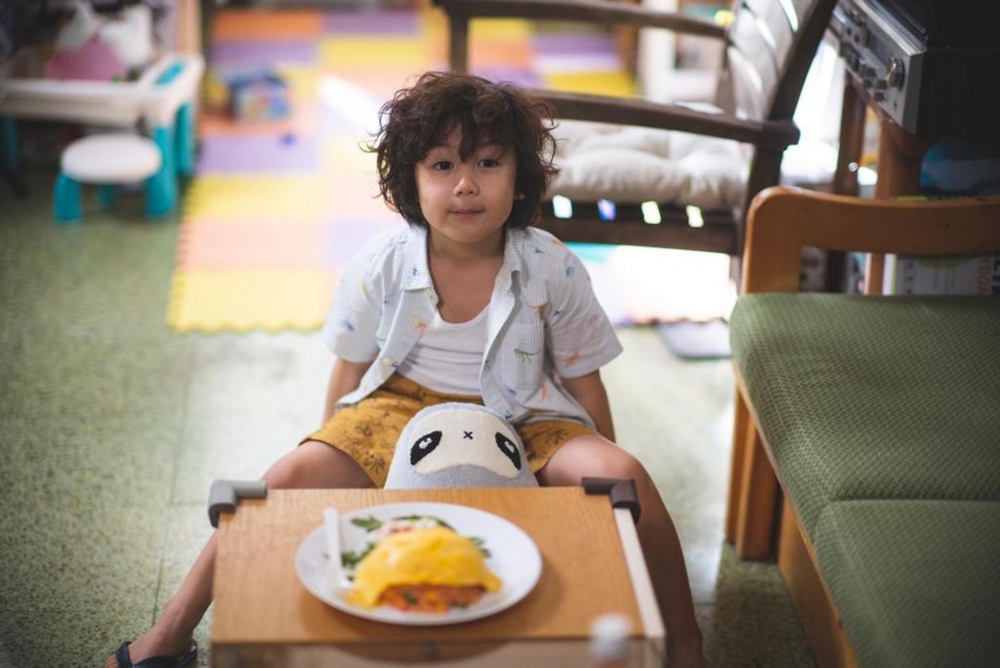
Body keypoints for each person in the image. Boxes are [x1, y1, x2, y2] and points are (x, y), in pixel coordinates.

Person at [108, 71, 704, 668]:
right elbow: (348, 370)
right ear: (410, 182)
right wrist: (331, 447)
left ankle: (685, 643)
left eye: (488, 163)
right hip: (399, 404)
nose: (466, 184)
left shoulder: (554, 265)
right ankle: (171, 632)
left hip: (526, 413)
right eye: (442, 166)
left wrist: (601, 498)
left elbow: (584, 380)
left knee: (626, 474)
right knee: (282, 478)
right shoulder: (381, 263)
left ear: (520, 175)